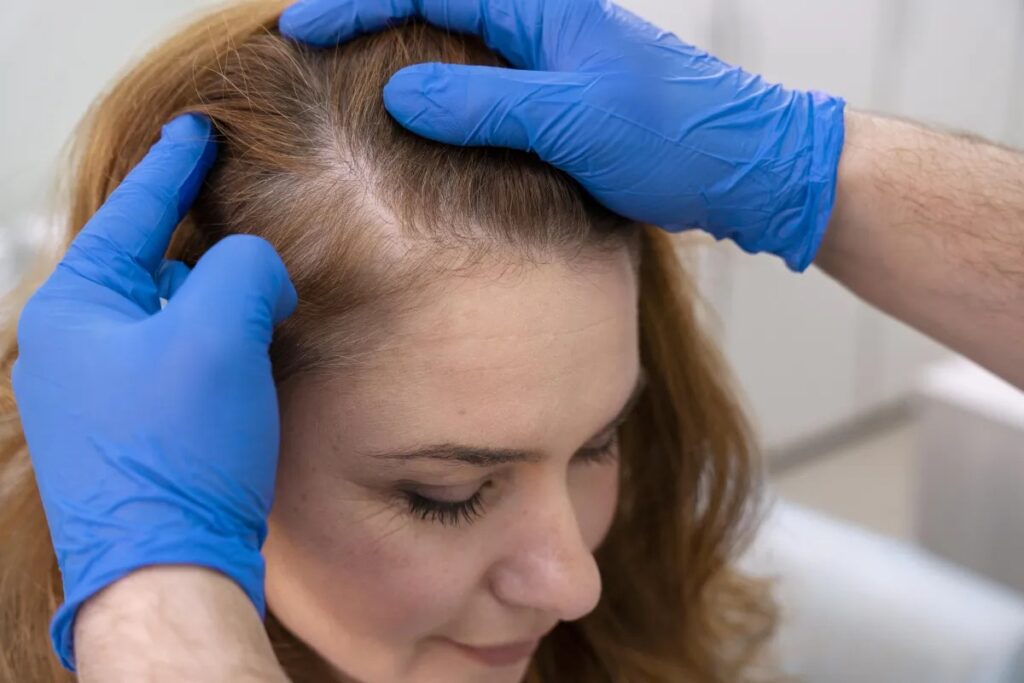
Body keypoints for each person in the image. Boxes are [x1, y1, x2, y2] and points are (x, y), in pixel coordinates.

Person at [3, 0, 1022, 680]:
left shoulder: (623, 619)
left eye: (596, 444)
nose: (577, 580)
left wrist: (812, 167)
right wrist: (155, 601)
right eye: (445, 494)